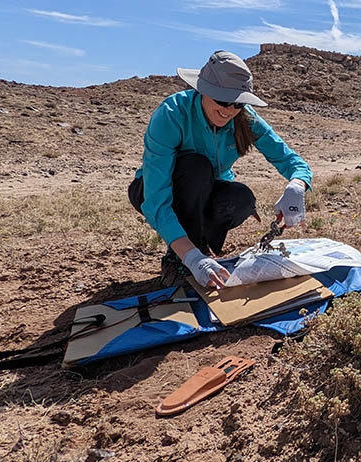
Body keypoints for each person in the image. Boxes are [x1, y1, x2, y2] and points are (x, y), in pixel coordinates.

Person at [128, 50, 312, 290]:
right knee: (196, 167)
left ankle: (199, 248)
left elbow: (291, 160)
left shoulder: (245, 118)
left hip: (204, 190)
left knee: (241, 199)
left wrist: (297, 185)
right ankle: (181, 257)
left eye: (237, 102)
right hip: (152, 191)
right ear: (203, 90)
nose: (230, 110)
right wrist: (192, 258)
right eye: (222, 100)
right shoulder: (172, 114)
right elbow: (156, 200)